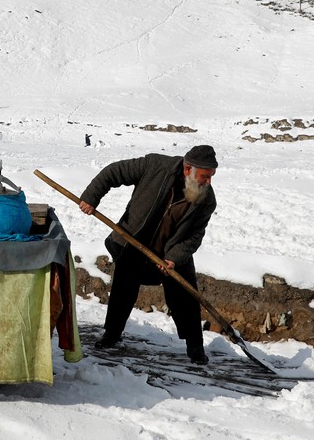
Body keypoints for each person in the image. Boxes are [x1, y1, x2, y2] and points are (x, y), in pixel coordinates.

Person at [78, 145, 218, 364]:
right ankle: (112, 335)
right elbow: (114, 172)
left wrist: (174, 257)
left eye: (211, 176)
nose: (208, 182)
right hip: (134, 242)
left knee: (185, 295)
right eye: (205, 176)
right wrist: (91, 197)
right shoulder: (155, 166)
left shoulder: (206, 200)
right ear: (187, 168)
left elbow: (194, 236)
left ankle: (195, 346)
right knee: (123, 288)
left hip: (170, 253)